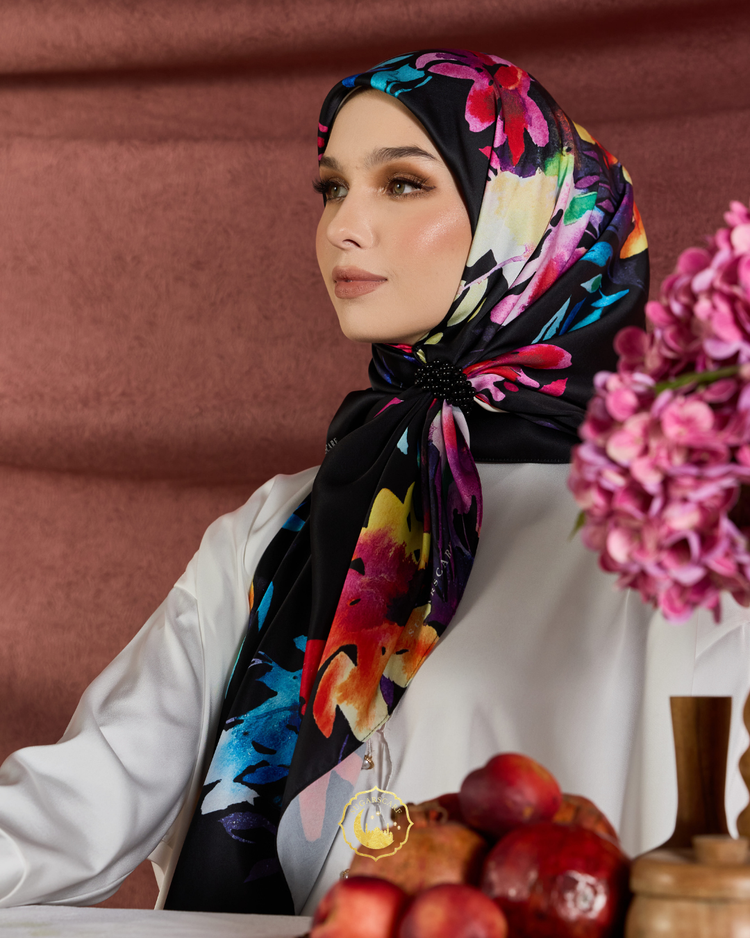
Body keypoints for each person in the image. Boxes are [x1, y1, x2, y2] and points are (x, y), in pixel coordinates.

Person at [1, 48, 749, 916]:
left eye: (401, 184)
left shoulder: (679, 540)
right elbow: (79, 803)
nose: (342, 227)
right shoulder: (280, 523)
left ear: (533, 218)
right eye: (332, 188)